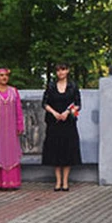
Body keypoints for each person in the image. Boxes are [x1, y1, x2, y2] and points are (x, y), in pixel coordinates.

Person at [41, 63, 82, 192]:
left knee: (67, 151)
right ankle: (58, 181)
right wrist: (54, 113)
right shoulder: (51, 86)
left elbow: (78, 104)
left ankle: (65, 181)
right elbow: (45, 103)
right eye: (58, 70)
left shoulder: (73, 86)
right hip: (54, 123)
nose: (61, 73)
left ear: (67, 71)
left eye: (63, 70)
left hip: (68, 123)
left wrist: (68, 112)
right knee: (55, 151)